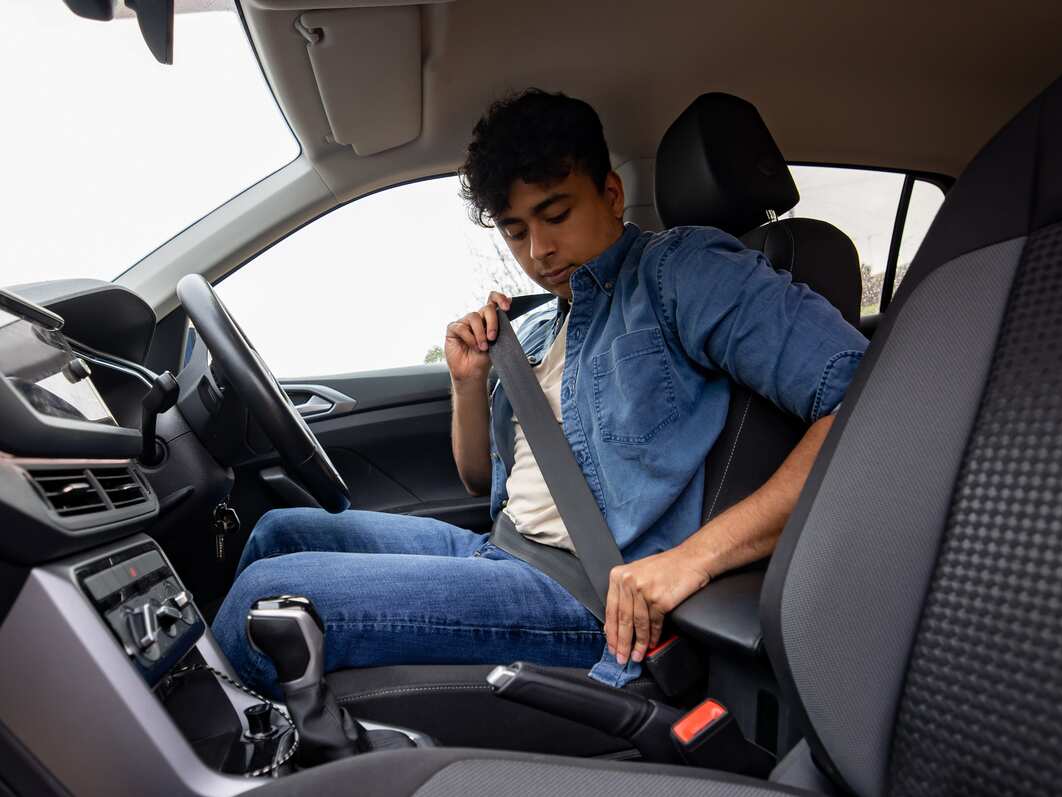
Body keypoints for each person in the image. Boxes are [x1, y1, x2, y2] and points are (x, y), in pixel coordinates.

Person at [211, 89, 867, 693]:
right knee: (278, 531)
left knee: (262, 599)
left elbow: (862, 404)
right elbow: (479, 482)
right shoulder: (533, 326)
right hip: (500, 549)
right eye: (515, 230)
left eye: (556, 214)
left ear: (611, 193)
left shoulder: (682, 272)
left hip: (583, 595)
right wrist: (468, 384)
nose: (539, 250)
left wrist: (690, 561)